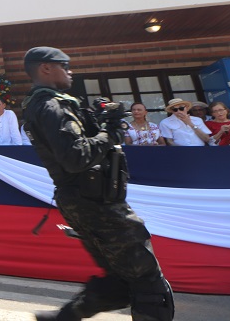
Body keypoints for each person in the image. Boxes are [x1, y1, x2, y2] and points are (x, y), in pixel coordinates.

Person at [21, 47, 173, 321]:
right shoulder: (49, 106)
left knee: (120, 281)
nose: (70, 70)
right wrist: (109, 133)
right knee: (148, 282)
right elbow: (76, 156)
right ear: (45, 68)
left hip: (88, 199)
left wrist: (100, 122)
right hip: (94, 201)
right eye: (63, 65)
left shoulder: (53, 104)